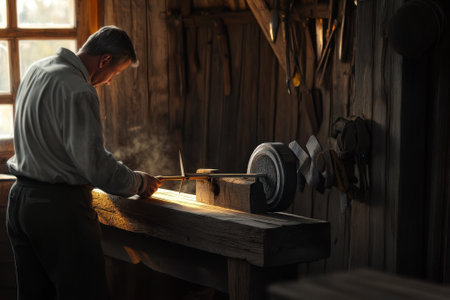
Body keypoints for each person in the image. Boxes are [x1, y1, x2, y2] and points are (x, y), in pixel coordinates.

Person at [6, 25, 161, 300]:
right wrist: (138, 181)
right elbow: (96, 167)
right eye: (115, 73)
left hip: (20, 202)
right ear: (104, 61)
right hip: (59, 212)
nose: (110, 81)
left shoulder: (36, 70)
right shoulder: (78, 90)